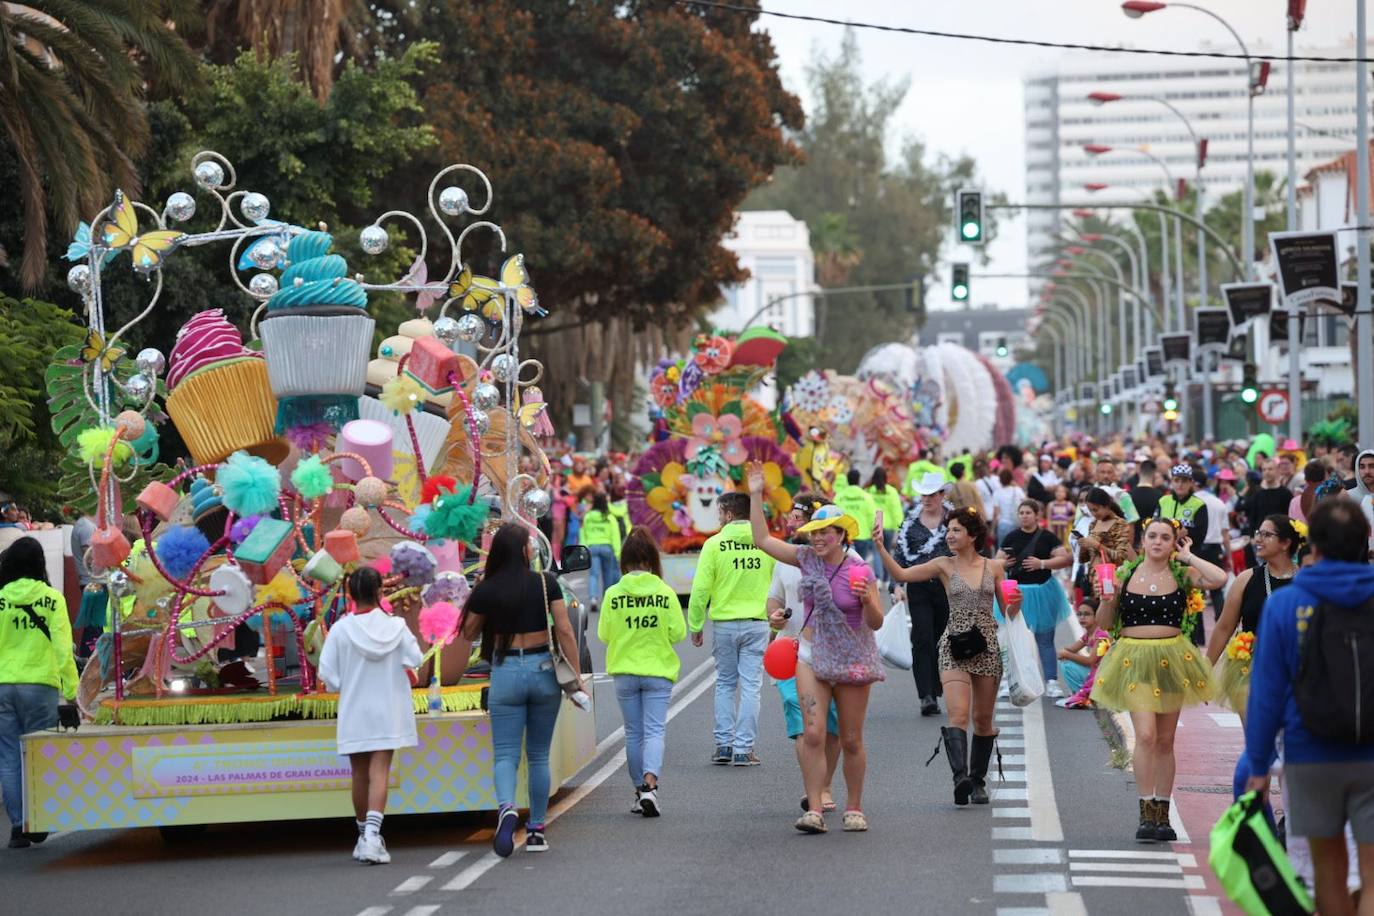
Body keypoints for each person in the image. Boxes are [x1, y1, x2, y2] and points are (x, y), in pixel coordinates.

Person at [1244, 499, 1374, 916]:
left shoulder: (1286, 604)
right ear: (1365, 542)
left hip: (1309, 752)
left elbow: (1266, 693)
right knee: (1373, 874)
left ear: (1312, 547)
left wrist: (1259, 767)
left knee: (1328, 870)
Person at [747, 465, 885, 834]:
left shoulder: (860, 570)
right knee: (812, 733)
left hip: (853, 658)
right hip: (811, 655)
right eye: (814, 532)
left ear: (842, 535)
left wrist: (867, 601)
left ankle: (854, 807)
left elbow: (876, 623)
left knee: (852, 738)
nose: (819, 538)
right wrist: (756, 494)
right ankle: (815, 809)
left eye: (826, 532)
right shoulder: (805, 558)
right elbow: (762, 540)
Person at [450, 523, 586, 856]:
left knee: (506, 754)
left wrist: (477, 593)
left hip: (506, 671)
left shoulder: (488, 588)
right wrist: (576, 677)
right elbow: (565, 630)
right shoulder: (545, 582)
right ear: (524, 551)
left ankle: (507, 808)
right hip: (543, 671)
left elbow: (467, 633)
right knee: (538, 755)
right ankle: (537, 830)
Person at [1090, 519, 1227, 842]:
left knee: (1166, 741)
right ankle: (1145, 809)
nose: (1158, 542)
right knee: (1147, 736)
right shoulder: (1124, 575)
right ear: (1144, 539)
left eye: (1166, 538)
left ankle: (1162, 814)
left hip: (1172, 659)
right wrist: (1107, 599)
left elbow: (1219, 578)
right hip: (1134, 658)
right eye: (1153, 536)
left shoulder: (1182, 575)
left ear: (1173, 543)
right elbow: (1104, 623)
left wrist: (1189, 556)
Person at [878, 507, 1022, 807]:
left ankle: (978, 781)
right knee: (957, 714)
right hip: (953, 645)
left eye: (956, 530)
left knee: (982, 720)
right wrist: (879, 546)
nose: (949, 535)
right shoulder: (943, 564)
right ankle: (961, 779)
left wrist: (1016, 604)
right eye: (948, 530)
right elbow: (902, 574)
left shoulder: (994, 567)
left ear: (973, 535)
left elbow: (1008, 610)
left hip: (986, 646)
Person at [317, 567, 421, 865]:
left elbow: (328, 675)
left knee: (359, 775)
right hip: (388, 708)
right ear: (380, 592)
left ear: (349, 594)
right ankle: (373, 837)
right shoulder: (397, 627)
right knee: (379, 774)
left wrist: (346, 683)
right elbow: (414, 659)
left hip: (354, 709)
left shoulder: (340, 629)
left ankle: (364, 837)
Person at [597, 527, 686, 818]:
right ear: (651, 560)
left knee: (633, 733)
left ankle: (639, 790)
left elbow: (604, 634)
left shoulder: (613, 594)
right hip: (658, 670)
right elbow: (678, 632)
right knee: (655, 730)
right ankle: (651, 785)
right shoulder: (664, 592)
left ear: (625, 560)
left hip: (624, 671)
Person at [767, 493, 846, 815]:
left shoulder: (843, 563)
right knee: (803, 726)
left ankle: (825, 784)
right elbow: (772, 600)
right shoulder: (786, 561)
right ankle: (813, 789)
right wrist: (774, 616)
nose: (791, 522)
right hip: (790, 651)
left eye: (798, 517)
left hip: (831, 653)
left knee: (832, 728)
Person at [0, 537, 78, 848]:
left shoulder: (1, 598)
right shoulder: (52, 599)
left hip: (3, 685)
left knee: (8, 757)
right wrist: (72, 690)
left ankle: (18, 827)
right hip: (40, 684)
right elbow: (63, 648)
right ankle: (40, 819)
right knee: (40, 755)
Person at [687, 491, 774, 767]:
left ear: (728, 514)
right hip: (757, 622)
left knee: (725, 684)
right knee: (751, 686)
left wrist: (696, 623)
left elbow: (700, 589)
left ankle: (724, 745)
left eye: (719, 514)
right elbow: (777, 583)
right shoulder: (765, 542)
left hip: (724, 623)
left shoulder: (714, 545)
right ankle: (743, 748)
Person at [1205, 515, 1301, 721]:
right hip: (1248, 666)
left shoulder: (1305, 580)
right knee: (1257, 733)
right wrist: (1205, 670)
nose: (1258, 539)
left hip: (1294, 664)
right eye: (1258, 533)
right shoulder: (1246, 579)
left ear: (1285, 543)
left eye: (1267, 535)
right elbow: (1224, 627)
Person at [1000, 499, 1073, 698]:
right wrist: (1005, 563)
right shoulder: (1011, 537)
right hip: (1016, 592)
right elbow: (996, 561)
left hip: (1042, 592)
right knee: (1013, 639)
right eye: (1021, 512)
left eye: (1028, 512)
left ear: (1036, 515)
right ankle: (1010, 681)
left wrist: (1042, 563)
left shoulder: (1047, 537)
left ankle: (1051, 681)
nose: (1024, 516)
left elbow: (1064, 559)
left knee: (1045, 639)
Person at [895, 472, 952, 717]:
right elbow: (899, 554)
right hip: (918, 585)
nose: (926, 499)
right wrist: (896, 585)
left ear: (941, 495)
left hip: (947, 586)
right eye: (923, 495)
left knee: (942, 638)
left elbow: (970, 547)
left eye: (931, 495)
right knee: (922, 637)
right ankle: (926, 695)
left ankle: (938, 686)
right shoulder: (910, 523)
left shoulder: (953, 520)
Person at [1075, 487, 1136, 601]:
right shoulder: (1093, 524)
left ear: (1107, 506)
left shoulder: (1120, 524)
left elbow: (1120, 557)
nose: (1093, 514)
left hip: (1111, 580)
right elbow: (1085, 559)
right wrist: (1083, 545)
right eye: (1090, 510)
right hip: (1093, 582)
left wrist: (1096, 545)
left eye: (1096, 509)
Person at [1192, 467, 1233, 621]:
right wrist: (1229, 556)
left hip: (1195, 549)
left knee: (1196, 591)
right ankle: (1222, 625)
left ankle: (1198, 634)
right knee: (1217, 590)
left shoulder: (1190, 503)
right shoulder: (1218, 503)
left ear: (1192, 483)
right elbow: (1225, 534)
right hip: (1214, 549)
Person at [1056, 599, 1108, 708]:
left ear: (1097, 615)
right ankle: (1078, 694)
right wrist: (1065, 653)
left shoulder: (1101, 635)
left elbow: (1090, 661)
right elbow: (1071, 650)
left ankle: (1084, 697)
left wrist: (1067, 654)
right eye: (1079, 614)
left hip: (1102, 676)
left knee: (1067, 663)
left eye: (1087, 614)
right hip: (1095, 672)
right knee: (1065, 662)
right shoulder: (1088, 634)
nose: (1082, 618)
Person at [579, 490, 622, 612]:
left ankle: (593, 598)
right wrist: (618, 553)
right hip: (607, 547)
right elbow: (616, 536)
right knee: (608, 575)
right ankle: (607, 600)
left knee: (593, 574)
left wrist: (583, 548)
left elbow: (583, 533)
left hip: (592, 547)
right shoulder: (609, 518)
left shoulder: (587, 517)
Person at [834, 469, 879, 579]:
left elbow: (834, 516)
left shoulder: (839, 496)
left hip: (845, 536)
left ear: (847, 480)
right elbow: (872, 516)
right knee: (860, 564)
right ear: (859, 480)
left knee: (845, 565)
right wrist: (873, 531)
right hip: (863, 535)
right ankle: (858, 584)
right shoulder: (866, 496)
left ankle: (846, 585)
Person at [867, 467, 903, 571]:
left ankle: (878, 578)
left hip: (876, 526)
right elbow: (896, 510)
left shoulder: (869, 491)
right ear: (885, 477)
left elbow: (868, 510)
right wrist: (900, 526)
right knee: (887, 554)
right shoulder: (891, 491)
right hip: (889, 527)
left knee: (877, 552)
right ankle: (886, 580)